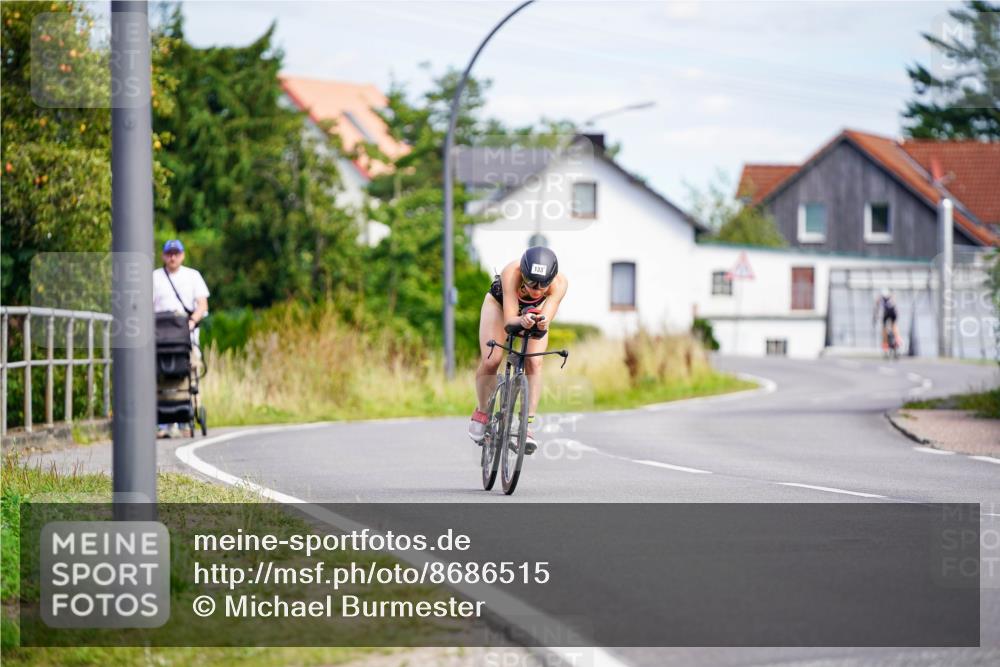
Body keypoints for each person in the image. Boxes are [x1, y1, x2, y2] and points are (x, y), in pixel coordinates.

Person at [468, 246, 568, 454]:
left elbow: (547, 317)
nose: (536, 290)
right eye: (531, 282)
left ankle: (526, 425)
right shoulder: (511, 272)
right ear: (523, 273)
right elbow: (509, 320)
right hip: (500, 306)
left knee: (534, 362)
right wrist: (522, 320)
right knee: (492, 358)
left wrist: (541, 323)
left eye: (543, 285)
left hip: (535, 312)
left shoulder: (560, 284)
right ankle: (482, 411)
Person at [153, 239, 209, 437]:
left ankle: (187, 418)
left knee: (191, 371)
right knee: (159, 375)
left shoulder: (192, 276)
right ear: (163, 256)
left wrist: (192, 322)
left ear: (182, 255)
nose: (173, 257)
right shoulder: (155, 278)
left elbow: (202, 304)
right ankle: (164, 424)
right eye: (169, 253)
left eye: (176, 253)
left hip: (186, 336)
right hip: (161, 338)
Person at [873, 288, 900, 354]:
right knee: (894, 325)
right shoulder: (891, 297)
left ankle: (885, 344)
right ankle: (897, 338)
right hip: (893, 313)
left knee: (884, 328)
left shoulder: (879, 298)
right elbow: (895, 308)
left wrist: (875, 318)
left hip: (887, 314)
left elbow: (877, 310)